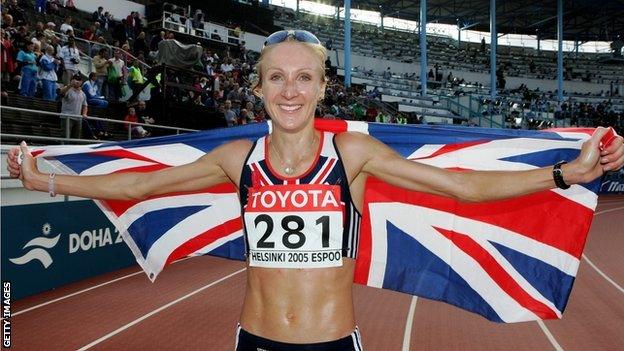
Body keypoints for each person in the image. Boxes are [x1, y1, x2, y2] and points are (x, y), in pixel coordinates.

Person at [6, 30, 624, 351]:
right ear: (258, 88)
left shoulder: (351, 155)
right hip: (255, 342)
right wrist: (45, 179)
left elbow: (455, 186)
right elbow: (145, 183)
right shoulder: (235, 158)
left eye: (304, 78)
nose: (291, 90)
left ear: (323, 89)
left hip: (333, 347)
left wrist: (563, 175)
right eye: (276, 77)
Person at [58, 73, 88, 139]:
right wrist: (70, 85)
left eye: (79, 80)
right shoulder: (68, 89)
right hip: (67, 117)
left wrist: (84, 114)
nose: (77, 82)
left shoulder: (82, 93)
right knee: (65, 136)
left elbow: (85, 105)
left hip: (78, 118)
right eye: (76, 79)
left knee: (76, 138)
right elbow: (61, 93)